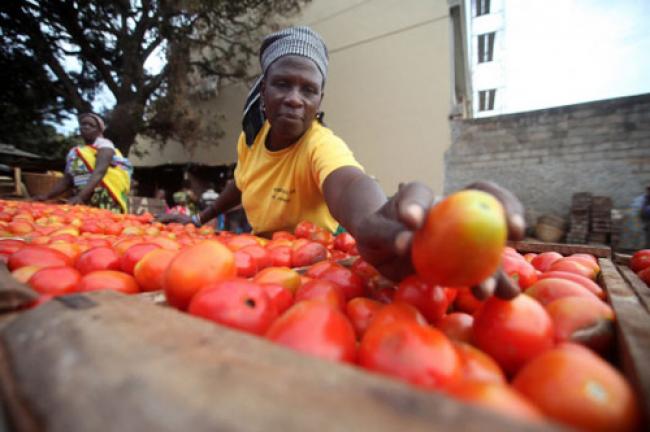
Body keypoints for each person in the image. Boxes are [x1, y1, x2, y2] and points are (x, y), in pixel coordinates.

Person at [158, 26, 525, 299]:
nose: (294, 99)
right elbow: (241, 181)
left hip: (311, 265)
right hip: (260, 260)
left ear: (320, 100)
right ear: (263, 91)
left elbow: (348, 181)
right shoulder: (250, 139)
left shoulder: (320, 145)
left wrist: (371, 220)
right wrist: (199, 219)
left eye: (308, 89)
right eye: (282, 84)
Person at [34, 113, 133, 213]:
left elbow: (100, 171)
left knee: (102, 226)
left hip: (103, 198)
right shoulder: (75, 152)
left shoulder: (105, 145)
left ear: (99, 130)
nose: (86, 127)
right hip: (81, 199)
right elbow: (68, 179)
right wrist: (46, 196)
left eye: (91, 125)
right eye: (83, 124)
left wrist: (81, 196)